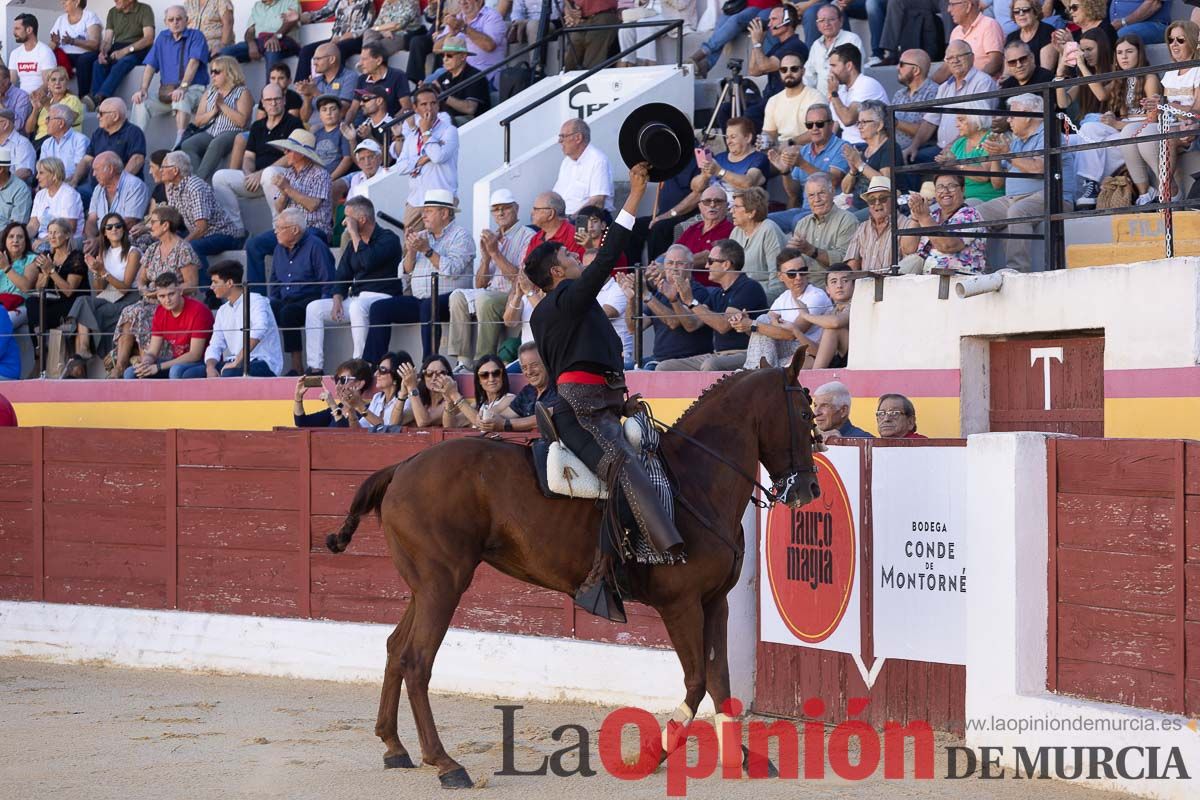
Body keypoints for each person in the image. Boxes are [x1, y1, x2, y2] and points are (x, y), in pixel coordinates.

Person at [524, 161, 683, 622]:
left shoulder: (568, 309)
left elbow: (592, 360)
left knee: (645, 459)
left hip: (597, 403)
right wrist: (634, 195)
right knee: (626, 472)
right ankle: (604, 575)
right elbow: (612, 252)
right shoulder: (566, 300)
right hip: (580, 410)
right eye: (572, 258)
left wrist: (622, 397)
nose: (580, 259)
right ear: (557, 272)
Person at [978, 93, 1077, 271]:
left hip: (1052, 197)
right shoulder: (1015, 143)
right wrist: (995, 156)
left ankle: (1016, 270)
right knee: (976, 214)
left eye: (1013, 115)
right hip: (1013, 198)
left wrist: (1007, 154)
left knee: (1018, 211)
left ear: (1029, 115)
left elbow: (1038, 168)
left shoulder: (1050, 135)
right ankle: (979, 268)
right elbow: (997, 184)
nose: (1008, 120)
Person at [304, 195, 402, 373]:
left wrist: (355, 234)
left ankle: (360, 364)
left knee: (357, 307)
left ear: (362, 219)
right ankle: (315, 366)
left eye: (348, 219)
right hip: (356, 298)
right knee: (314, 308)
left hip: (381, 298)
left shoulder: (389, 239)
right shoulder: (352, 244)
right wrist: (336, 299)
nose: (344, 223)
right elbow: (342, 274)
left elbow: (368, 261)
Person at [447, 189, 533, 371]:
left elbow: (520, 278)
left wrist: (495, 252)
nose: (500, 213)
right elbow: (479, 284)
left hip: (512, 296)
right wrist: (486, 257)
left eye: (505, 208)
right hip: (490, 293)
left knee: (484, 300)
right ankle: (463, 361)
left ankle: (482, 360)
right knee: (457, 296)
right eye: (496, 209)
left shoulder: (528, 236)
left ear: (516, 208)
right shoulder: (494, 236)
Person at [110, 206, 200, 378]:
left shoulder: (183, 249)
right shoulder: (152, 250)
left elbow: (192, 284)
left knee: (139, 313)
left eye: (153, 222)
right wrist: (145, 290)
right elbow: (141, 279)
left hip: (173, 302)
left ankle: (146, 368)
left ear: (165, 225)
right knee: (129, 311)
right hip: (150, 300)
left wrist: (163, 292)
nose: (149, 226)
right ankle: (120, 366)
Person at [654, 237, 768, 371]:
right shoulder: (717, 294)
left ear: (726, 264)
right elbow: (693, 324)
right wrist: (675, 300)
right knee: (664, 367)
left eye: (711, 261)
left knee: (710, 365)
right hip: (717, 354)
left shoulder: (748, 287)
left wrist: (691, 301)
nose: (706, 266)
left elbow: (723, 325)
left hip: (747, 353)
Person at [1119, 21, 1200, 206]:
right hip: (1170, 124)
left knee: (1148, 135)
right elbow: (1163, 110)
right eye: (1170, 40)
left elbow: (1196, 112)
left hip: (1191, 127)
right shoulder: (1170, 73)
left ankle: (1169, 190)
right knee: (1128, 132)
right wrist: (1154, 106)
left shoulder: (1198, 69)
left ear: (1193, 41)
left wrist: (1165, 104)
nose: (1174, 44)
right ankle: (1145, 194)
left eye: (1180, 40)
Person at [392, 188, 475, 359]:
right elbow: (405, 272)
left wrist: (427, 250)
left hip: (450, 300)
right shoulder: (421, 235)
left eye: (429, 211)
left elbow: (452, 269)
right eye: (423, 211)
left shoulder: (462, 236)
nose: (423, 216)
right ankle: (372, 362)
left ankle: (429, 361)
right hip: (421, 300)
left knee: (429, 306)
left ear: (444, 213)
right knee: (379, 309)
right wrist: (412, 250)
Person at [1075, 34, 1160, 203]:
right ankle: (1090, 182)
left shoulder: (1150, 78)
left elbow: (1154, 118)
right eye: (1120, 53)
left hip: (1141, 127)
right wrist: (1081, 65)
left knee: (1106, 147)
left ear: (1139, 53)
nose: (1124, 57)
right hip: (1123, 125)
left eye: (1129, 51)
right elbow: (1100, 95)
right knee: (1088, 128)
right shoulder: (1120, 78)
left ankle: (1099, 184)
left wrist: (1117, 123)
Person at [244, 128, 333, 288]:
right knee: (254, 245)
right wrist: (284, 191)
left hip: (315, 229)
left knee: (287, 240)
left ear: (301, 153)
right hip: (290, 228)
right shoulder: (289, 174)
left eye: (289, 150)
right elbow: (279, 208)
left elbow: (313, 205)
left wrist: (288, 188)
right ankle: (256, 296)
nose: (285, 153)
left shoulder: (320, 174)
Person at [211, 82, 303, 231]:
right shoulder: (257, 126)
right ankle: (235, 229)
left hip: (283, 178)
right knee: (220, 177)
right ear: (262, 103)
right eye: (269, 100)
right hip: (258, 179)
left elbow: (291, 156)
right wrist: (249, 174)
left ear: (284, 100)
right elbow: (248, 157)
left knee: (269, 173)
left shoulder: (294, 123)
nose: (273, 103)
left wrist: (260, 174)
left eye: (277, 99)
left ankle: (279, 226)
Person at [734, 247, 833, 369]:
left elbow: (791, 334)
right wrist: (744, 325)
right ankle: (760, 371)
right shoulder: (784, 297)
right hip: (786, 353)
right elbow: (763, 330)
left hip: (807, 351)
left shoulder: (816, 296)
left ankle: (755, 371)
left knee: (762, 321)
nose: (798, 277)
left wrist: (753, 324)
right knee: (763, 320)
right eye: (792, 274)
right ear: (780, 276)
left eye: (802, 271)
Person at [184, 260, 283, 378]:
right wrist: (210, 367)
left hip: (264, 362)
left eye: (215, 282)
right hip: (234, 361)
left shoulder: (257, 301)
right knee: (189, 374)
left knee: (228, 373)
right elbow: (215, 344)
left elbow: (259, 330)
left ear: (229, 282)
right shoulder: (222, 310)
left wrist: (237, 361)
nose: (211, 287)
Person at [903, 41, 1000, 161]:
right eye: (950, 58)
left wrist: (951, 147)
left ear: (972, 57)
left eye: (960, 56)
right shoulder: (945, 87)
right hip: (942, 148)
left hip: (968, 149)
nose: (955, 61)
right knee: (910, 158)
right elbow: (930, 121)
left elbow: (977, 123)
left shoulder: (983, 82)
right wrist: (914, 146)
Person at [617, 246, 711, 369]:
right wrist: (631, 299)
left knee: (647, 371)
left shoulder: (698, 292)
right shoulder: (659, 293)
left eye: (680, 264)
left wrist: (647, 296)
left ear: (691, 266)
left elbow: (674, 322)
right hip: (658, 359)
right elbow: (634, 328)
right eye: (670, 263)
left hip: (686, 359)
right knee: (619, 369)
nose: (674, 268)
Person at [130, 6, 209, 151]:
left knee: (180, 97)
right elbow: (150, 66)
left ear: (187, 20)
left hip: (194, 89)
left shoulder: (196, 36)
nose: (175, 22)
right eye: (171, 20)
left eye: (179, 19)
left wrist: (183, 87)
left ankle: (180, 142)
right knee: (140, 102)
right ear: (166, 22)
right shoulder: (162, 37)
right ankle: (134, 143)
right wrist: (143, 89)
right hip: (168, 93)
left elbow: (194, 63)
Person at [270, 207, 333, 376]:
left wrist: (326, 302)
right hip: (285, 298)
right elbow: (274, 280)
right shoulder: (278, 249)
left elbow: (328, 278)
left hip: (309, 298)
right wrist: (272, 300)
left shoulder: (315, 246)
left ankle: (296, 366)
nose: (275, 232)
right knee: (266, 309)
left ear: (295, 230)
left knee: (288, 313)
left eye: (280, 228)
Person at [160, 151, 246, 277]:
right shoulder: (173, 187)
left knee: (190, 247)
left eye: (164, 167)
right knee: (164, 238)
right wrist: (149, 228)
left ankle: (208, 292)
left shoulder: (195, 187)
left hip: (222, 234)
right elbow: (172, 219)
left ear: (175, 171)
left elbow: (202, 228)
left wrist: (181, 244)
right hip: (202, 234)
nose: (160, 170)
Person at [69, 211, 140, 361]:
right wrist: (95, 271)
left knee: (91, 312)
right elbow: (99, 289)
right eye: (109, 227)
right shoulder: (103, 252)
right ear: (104, 233)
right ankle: (83, 348)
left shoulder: (133, 252)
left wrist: (103, 271)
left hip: (129, 298)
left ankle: (86, 350)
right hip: (109, 295)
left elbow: (125, 287)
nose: (114, 229)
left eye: (118, 226)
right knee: (82, 301)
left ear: (123, 229)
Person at [766, 104, 848, 230]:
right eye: (809, 125)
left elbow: (833, 180)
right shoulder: (804, 151)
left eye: (819, 124)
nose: (814, 128)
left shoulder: (842, 147)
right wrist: (785, 171)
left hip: (828, 211)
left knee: (799, 221)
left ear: (831, 125)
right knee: (766, 221)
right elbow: (794, 192)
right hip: (804, 210)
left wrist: (802, 164)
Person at [392, 83, 459, 231]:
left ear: (438, 105)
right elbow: (400, 167)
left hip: (441, 199)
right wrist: (421, 159)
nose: (429, 108)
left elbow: (437, 157)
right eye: (424, 104)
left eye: (433, 103)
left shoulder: (449, 131)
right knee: (410, 248)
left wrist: (426, 132)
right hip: (415, 200)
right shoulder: (411, 137)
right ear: (415, 108)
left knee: (441, 246)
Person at [123, 271, 212, 379]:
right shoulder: (160, 311)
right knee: (131, 372)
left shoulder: (198, 311)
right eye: (162, 296)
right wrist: (146, 362)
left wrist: (159, 367)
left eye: (171, 294)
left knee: (176, 371)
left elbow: (195, 355)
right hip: (177, 361)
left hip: (202, 363)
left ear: (180, 291)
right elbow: (152, 351)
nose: (167, 300)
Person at [178, 55, 253, 181]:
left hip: (233, 131)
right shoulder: (210, 92)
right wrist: (213, 112)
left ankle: (198, 182)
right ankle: (198, 180)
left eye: (217, 72)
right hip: (211, 131)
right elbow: (197, 121)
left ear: (230, 72)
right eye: (211, 71)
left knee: (216, 143)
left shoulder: (242, 92)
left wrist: (223, 106)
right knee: (188, 144)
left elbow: (242, 122)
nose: (213, 75)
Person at [900, 173, 988, 273]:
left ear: (963, 189)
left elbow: (948, 246)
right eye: (940, 187)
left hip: (959, 280)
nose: (945, 191)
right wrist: (916, 217)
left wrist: (924, 218)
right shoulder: (933, 215)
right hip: (926, 280)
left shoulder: (970, 214)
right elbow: (908, 248)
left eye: (951, 186)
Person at [24, 218, 86, 358]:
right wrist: (45, 275)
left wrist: (52, 271)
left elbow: (69, 291)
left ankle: (40, 347)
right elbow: (38, 288)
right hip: (51, 301)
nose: (51, 236)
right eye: (49, 232)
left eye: (56, 232)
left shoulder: (76, 257)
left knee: (40, 311)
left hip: (70, 304)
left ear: (67, 235)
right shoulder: (47, 256)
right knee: (31, 302)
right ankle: (40, 343)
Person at [787, 172, 857, 288]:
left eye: (821, 193)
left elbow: (845, 264)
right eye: (811, 195)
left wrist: (811, 250)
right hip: (803, 287)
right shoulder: (802, 223)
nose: (817, 199)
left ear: (833, 192)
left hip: (832, 290)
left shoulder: (847, 220)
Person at [841, 99, 907, 215]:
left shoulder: (890, 148)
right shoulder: (861, 150)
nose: (859, 127)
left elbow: (886, 182)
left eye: (864, 122)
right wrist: (853, 169)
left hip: (881, 207)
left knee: (846, 223)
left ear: (879, 125)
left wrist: (860, 164)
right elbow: (845, 189)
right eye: (858, 123)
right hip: (858, 206)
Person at [86, 0, 156, 108]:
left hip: (138, 48)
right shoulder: (112, 12)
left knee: (123, 62)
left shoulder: (145, 9)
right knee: (98, 63)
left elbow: (149, 38)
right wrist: (103, 52)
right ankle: (99, 104)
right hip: (118, 47)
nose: (115, 0)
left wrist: (125, 51)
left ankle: (100, 97)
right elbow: (108, 39)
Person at [934, 102, 1005, 204]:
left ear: (976, 119)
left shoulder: (991, 139)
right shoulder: (959, 143)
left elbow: (984, 176)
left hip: (984, 198)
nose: (957, 125)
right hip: (958, 198)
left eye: (961, 120)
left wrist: (956, 164)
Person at [688, 0, 776, 79]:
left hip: (766, 7)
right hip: (743, 5)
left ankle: (702, 52)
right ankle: (707, 64)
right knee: (722, 21)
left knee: (735, 20)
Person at [82, 151, 148, 257]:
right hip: (103, 238)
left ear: (111, 169)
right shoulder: (98, 189)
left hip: (125, 238)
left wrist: (100, 241)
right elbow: (91, 220)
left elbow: (130, 221)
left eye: (96, 170)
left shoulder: (134, 185)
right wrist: (91, 239)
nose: (94, 174)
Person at [845, 177, 918, 270]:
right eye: (871, 200)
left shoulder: (907, 224)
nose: (877, 203)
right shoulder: (862, 227)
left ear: (894, 200)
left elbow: (910, 260)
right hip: (865, 283)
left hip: (894, 282)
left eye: (882, 198)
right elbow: (852, 263)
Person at [295, 0, 376, 83]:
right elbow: (321, 14)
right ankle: (302, 86)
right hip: (336, 39)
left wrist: (347, 36)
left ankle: (335, 84)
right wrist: (299, 17)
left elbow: (367, 27)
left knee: (337, 49)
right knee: (306, 51)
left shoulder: (366, 2)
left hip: (356, 39)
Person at [691, 117, 769, 203]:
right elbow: (696, 188)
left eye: (733, 137)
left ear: (748, 138)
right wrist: (705, 176)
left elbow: (748, 183)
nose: (729, 141)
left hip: (743, 213)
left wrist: (719, 171)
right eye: (727, 137)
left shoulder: (759, 158)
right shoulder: (720, 157)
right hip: (714, 211)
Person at [728, 187, 785, 301]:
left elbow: (778, 281)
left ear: (751, 212)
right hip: (738, 295)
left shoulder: (769, 229)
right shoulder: (736, 231)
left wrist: (762, 304)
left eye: (737, 207)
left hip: (762, 296)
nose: (731, 211)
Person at [827, 44, 889, 148]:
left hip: (868, 146)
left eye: (834, 66)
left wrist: (833, 93)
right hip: (847, 145)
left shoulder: (866, 84)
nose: (830, 71)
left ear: (849, 66)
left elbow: (848, 119)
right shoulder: (841, 90)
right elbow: (834, 125)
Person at [932, 0, 1005, 82]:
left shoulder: (989, 25)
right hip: (961, 89)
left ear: (968, 6)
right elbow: (947, 67)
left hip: (984, 88)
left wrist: (971, 82)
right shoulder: (956, 32)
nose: (949, 9)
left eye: (953, 5)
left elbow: (995, 62)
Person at [761, 54, 823, 150]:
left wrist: (791, 143)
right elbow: (769, 132)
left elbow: (820, 130)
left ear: (803, 71)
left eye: (794, 69)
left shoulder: (815, 97)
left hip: (809, 150)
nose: (788, 73)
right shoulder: (773, 101)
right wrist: (764, 141)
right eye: (784, 70)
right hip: (781, 151)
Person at [553, 118, 613, 215]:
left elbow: (597, 202)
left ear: (578, 138)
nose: (559, 141)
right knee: (530, 229)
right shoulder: (566, 162)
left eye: (563, 136)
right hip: (561, 220)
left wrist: (570, 219)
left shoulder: (598, 160)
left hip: (585, 219)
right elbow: (556, 196)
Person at [222, 0, 302, 72]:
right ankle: (233, 88)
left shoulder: (290, 2)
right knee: (225, 53)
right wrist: (251, 44)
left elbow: (291, 21)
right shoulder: (257, 6)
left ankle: (271, 88)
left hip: (283, 41)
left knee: (272, 49)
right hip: (260, 42)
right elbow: (250, 31)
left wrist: (276, 37)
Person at [442, 354, 519, 429]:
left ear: (502, 375)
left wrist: (455, 395)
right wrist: (448, 399)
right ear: (479, 380)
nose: (491, 379)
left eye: (496, 373)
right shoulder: (478, 403)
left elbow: (484, 421)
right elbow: (450, 425)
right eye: (484, 375)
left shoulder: (510, 399)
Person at [81, 98, 146, 185]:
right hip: (95, 187)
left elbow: (137, 159)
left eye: (101, 113)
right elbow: (87, 160)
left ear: (115, 116)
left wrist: (119, 184)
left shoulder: (133, 132)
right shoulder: (98, 133)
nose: (98, 116)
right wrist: (74, 181)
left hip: (123, 188)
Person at [804, 5, 863, 100]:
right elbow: (808, 76)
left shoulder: (851, 39)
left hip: (846, 99)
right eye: (821, 20)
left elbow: (856, 75)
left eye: (831, 19)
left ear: (841, 21)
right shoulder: (816, 45)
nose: (826, 24)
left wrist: (835, 97)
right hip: (821, 102)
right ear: (817, 25)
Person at [343, 351, 414, 428]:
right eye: (377, 369)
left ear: (396, 376)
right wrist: (351, 412)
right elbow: (360, 430)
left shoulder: (407, 400)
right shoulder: (377, 398)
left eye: (382, 370)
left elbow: (387, 428)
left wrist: (360, 406)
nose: (376, 374)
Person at [293, 357, 372, 427]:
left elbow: (345, 434)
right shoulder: (340, 407)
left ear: (359, 384)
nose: (338, 385)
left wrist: (333, 406)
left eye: (343, 380)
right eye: (337, 380)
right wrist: (298, 397)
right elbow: (302, 422)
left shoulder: (369, 409)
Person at [617, 0, 697, 68]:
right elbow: (638, 4)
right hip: (647, 14)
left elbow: (681, 4)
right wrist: (641, 1)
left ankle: (647, 65)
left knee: (644, 24)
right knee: (625, 28)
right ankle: (628, 65)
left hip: (672, 17)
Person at [890, 50, 940, 161]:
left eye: (902, 64)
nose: (897, 67)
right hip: (895, 149)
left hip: (921, 149)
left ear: (916, 70)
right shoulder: (899, 94)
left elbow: (926, 130)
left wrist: (895, 122)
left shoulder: (933, 92)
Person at [675, 185, 733, 279]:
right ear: (700, 206)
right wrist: (657, 264)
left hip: (710, 289)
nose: (712, 205)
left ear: (726, 206)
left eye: (718, 201)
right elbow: (674, 250)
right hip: (683, 282)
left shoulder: (730, 230)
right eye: (707, 201)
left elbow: (707, 257)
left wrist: (673, 265)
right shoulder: (693, 228)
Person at [803, 262, 853, 369]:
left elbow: (836, 323)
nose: (839, 285)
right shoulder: (831, 312)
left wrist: (805, 315)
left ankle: (815, 380)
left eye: (845, 281)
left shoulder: (857, 303)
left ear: (854, 285)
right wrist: (795, 331)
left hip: (857, 356)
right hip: (838, 358)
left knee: (833, 329)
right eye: (834, 282)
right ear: (827, 289)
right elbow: (819, 349)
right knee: (803, 359)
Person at [50, 0, 103, 97]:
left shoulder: (90, 16)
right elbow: (51, 47)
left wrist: (73, 41)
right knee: (50, 57)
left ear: (77, 2)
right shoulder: (60, 19)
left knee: (83, 60)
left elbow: (95, 44)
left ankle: (84, 97)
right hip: (66, 57)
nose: (62, 2)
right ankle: (55, 96)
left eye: (66, 0)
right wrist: (55, 43)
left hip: (86, 55)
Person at [28, 157, 84, 249]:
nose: (37, 177)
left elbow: (69, 228)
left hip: (63, 241)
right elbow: (33, 224)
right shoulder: (40, 195)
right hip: (41, 241)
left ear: (54, 175)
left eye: (41, 173)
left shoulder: (69, 194)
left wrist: (44, 240)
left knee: (41, 248)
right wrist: (22, 237)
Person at [297, 42, 358, 125]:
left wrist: (316, 92)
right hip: (311, 128)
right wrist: (308, 97)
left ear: (332, 59)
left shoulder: (350, 77)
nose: (314, 63)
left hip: (335, 130)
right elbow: (304, 118)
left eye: (318, 59)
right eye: (314, 59)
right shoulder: (315, 81)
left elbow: (343, 111)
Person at [348, 41, 411, 118]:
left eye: (364, 59)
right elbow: (353, 109)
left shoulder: (398, 76)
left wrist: (389, 125)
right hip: (366, 126)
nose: (360, 63)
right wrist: (345, 125)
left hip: (391, 125)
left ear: (378, 61)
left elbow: (406, 107)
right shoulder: (362, 79)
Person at [26, 67, 84, 147]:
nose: (57, 82)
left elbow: (66, 121)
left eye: (61, 79)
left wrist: (46, 104)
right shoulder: (46, 102)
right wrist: (35, 109)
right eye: (53, 80)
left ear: (67, 84)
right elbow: (29, 129)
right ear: (48, 85)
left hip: (63, 142)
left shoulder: (72, 100)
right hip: (41, 143)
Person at [39, 105, 89, 194]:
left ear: (61, 123)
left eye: (48, 119)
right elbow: (42, 169)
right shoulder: (46, 143)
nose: (46, 122)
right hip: (49, 186)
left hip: (72, 185)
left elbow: (79, 170)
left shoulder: (80, 140)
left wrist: (60, 185)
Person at [397, 353, 457, 427]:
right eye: (429, 373)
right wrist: (402, 395)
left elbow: (423, 421)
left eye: (440, 373)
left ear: (448, 376)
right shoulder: (422, 401)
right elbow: (394, 423)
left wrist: (412, 387)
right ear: (423, 377)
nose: (434, 377)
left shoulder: (451, 401)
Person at [507, 341, 555, 431]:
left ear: (546, 363)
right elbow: (506, 415)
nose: (529, 372)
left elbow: (543, 418)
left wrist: (504, 424)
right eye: (524, 368)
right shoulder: (527, 391)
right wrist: (490, 417)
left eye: (534, 365)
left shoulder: (559, 388)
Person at [0, 223, 38, 331]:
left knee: (2, 321)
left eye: (20, 237)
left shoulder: (32, 259)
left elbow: (26, 287)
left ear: (25, 241)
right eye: (11, 236)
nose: (15, 240)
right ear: (5, 240)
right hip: (1, 304)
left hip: (21, 306)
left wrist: (6, 268)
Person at [562, 0, 619, 71]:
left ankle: (590, 78)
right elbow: (568, 2)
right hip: (582, 20)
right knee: (571, 59)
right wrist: (569, 10)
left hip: (604, 14)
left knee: (593, 60)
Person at [8, 14, 58, 93]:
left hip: (42, 100)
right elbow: (12, 82)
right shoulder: (15, 53)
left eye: (17, 29)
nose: (14, 32)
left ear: (29, 30)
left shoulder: (45, 52)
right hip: (22, 100)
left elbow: (48, 83)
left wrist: (32, 98)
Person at [526, 191, 585, 258]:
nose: (532, 212)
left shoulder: (576, 237)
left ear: (551, 214)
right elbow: (527, 266)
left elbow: (576, 266)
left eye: (536, 209)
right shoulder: (535, 239)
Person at [1006, 2, 1058, 71]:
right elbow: (1007, 72)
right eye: (1016, 11)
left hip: (1041, 80)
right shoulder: (1011, 37)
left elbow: (1046, 71)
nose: (1021, 14)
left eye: (1026, 10)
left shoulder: (1047, 31)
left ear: (1035, 12)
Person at [311, 95, 354, 178]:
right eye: (324, 110)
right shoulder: (317, 134)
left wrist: (331, 179)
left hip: (337, 179)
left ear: (340, 112)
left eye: (333, 109)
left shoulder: (344, 131)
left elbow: (347, 159)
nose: (328, 113)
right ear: (319, 114)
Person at [0, 110, 35, 185]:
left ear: (5, 124)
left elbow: (24, 172)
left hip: (13, 192)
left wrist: (3, 184)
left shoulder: (22, 143)